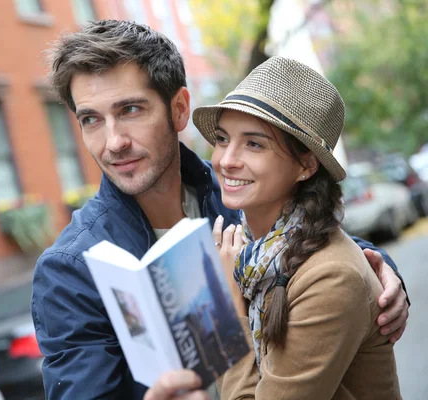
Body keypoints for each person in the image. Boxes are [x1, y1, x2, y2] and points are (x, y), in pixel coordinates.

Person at [31, 20, 409, 400]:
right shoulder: (70, 268)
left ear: (178, 109)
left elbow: (308, 240)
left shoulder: (235, 195)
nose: (113, 142)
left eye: (130, 109)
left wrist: (380, 271)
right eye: (91, 119)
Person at [145, 57, 402, 400]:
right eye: (222, 139)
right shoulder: (251, 253)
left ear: (306, 165)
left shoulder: (330, 276)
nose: (225, 160)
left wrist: (225, 307)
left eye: (254, 143)